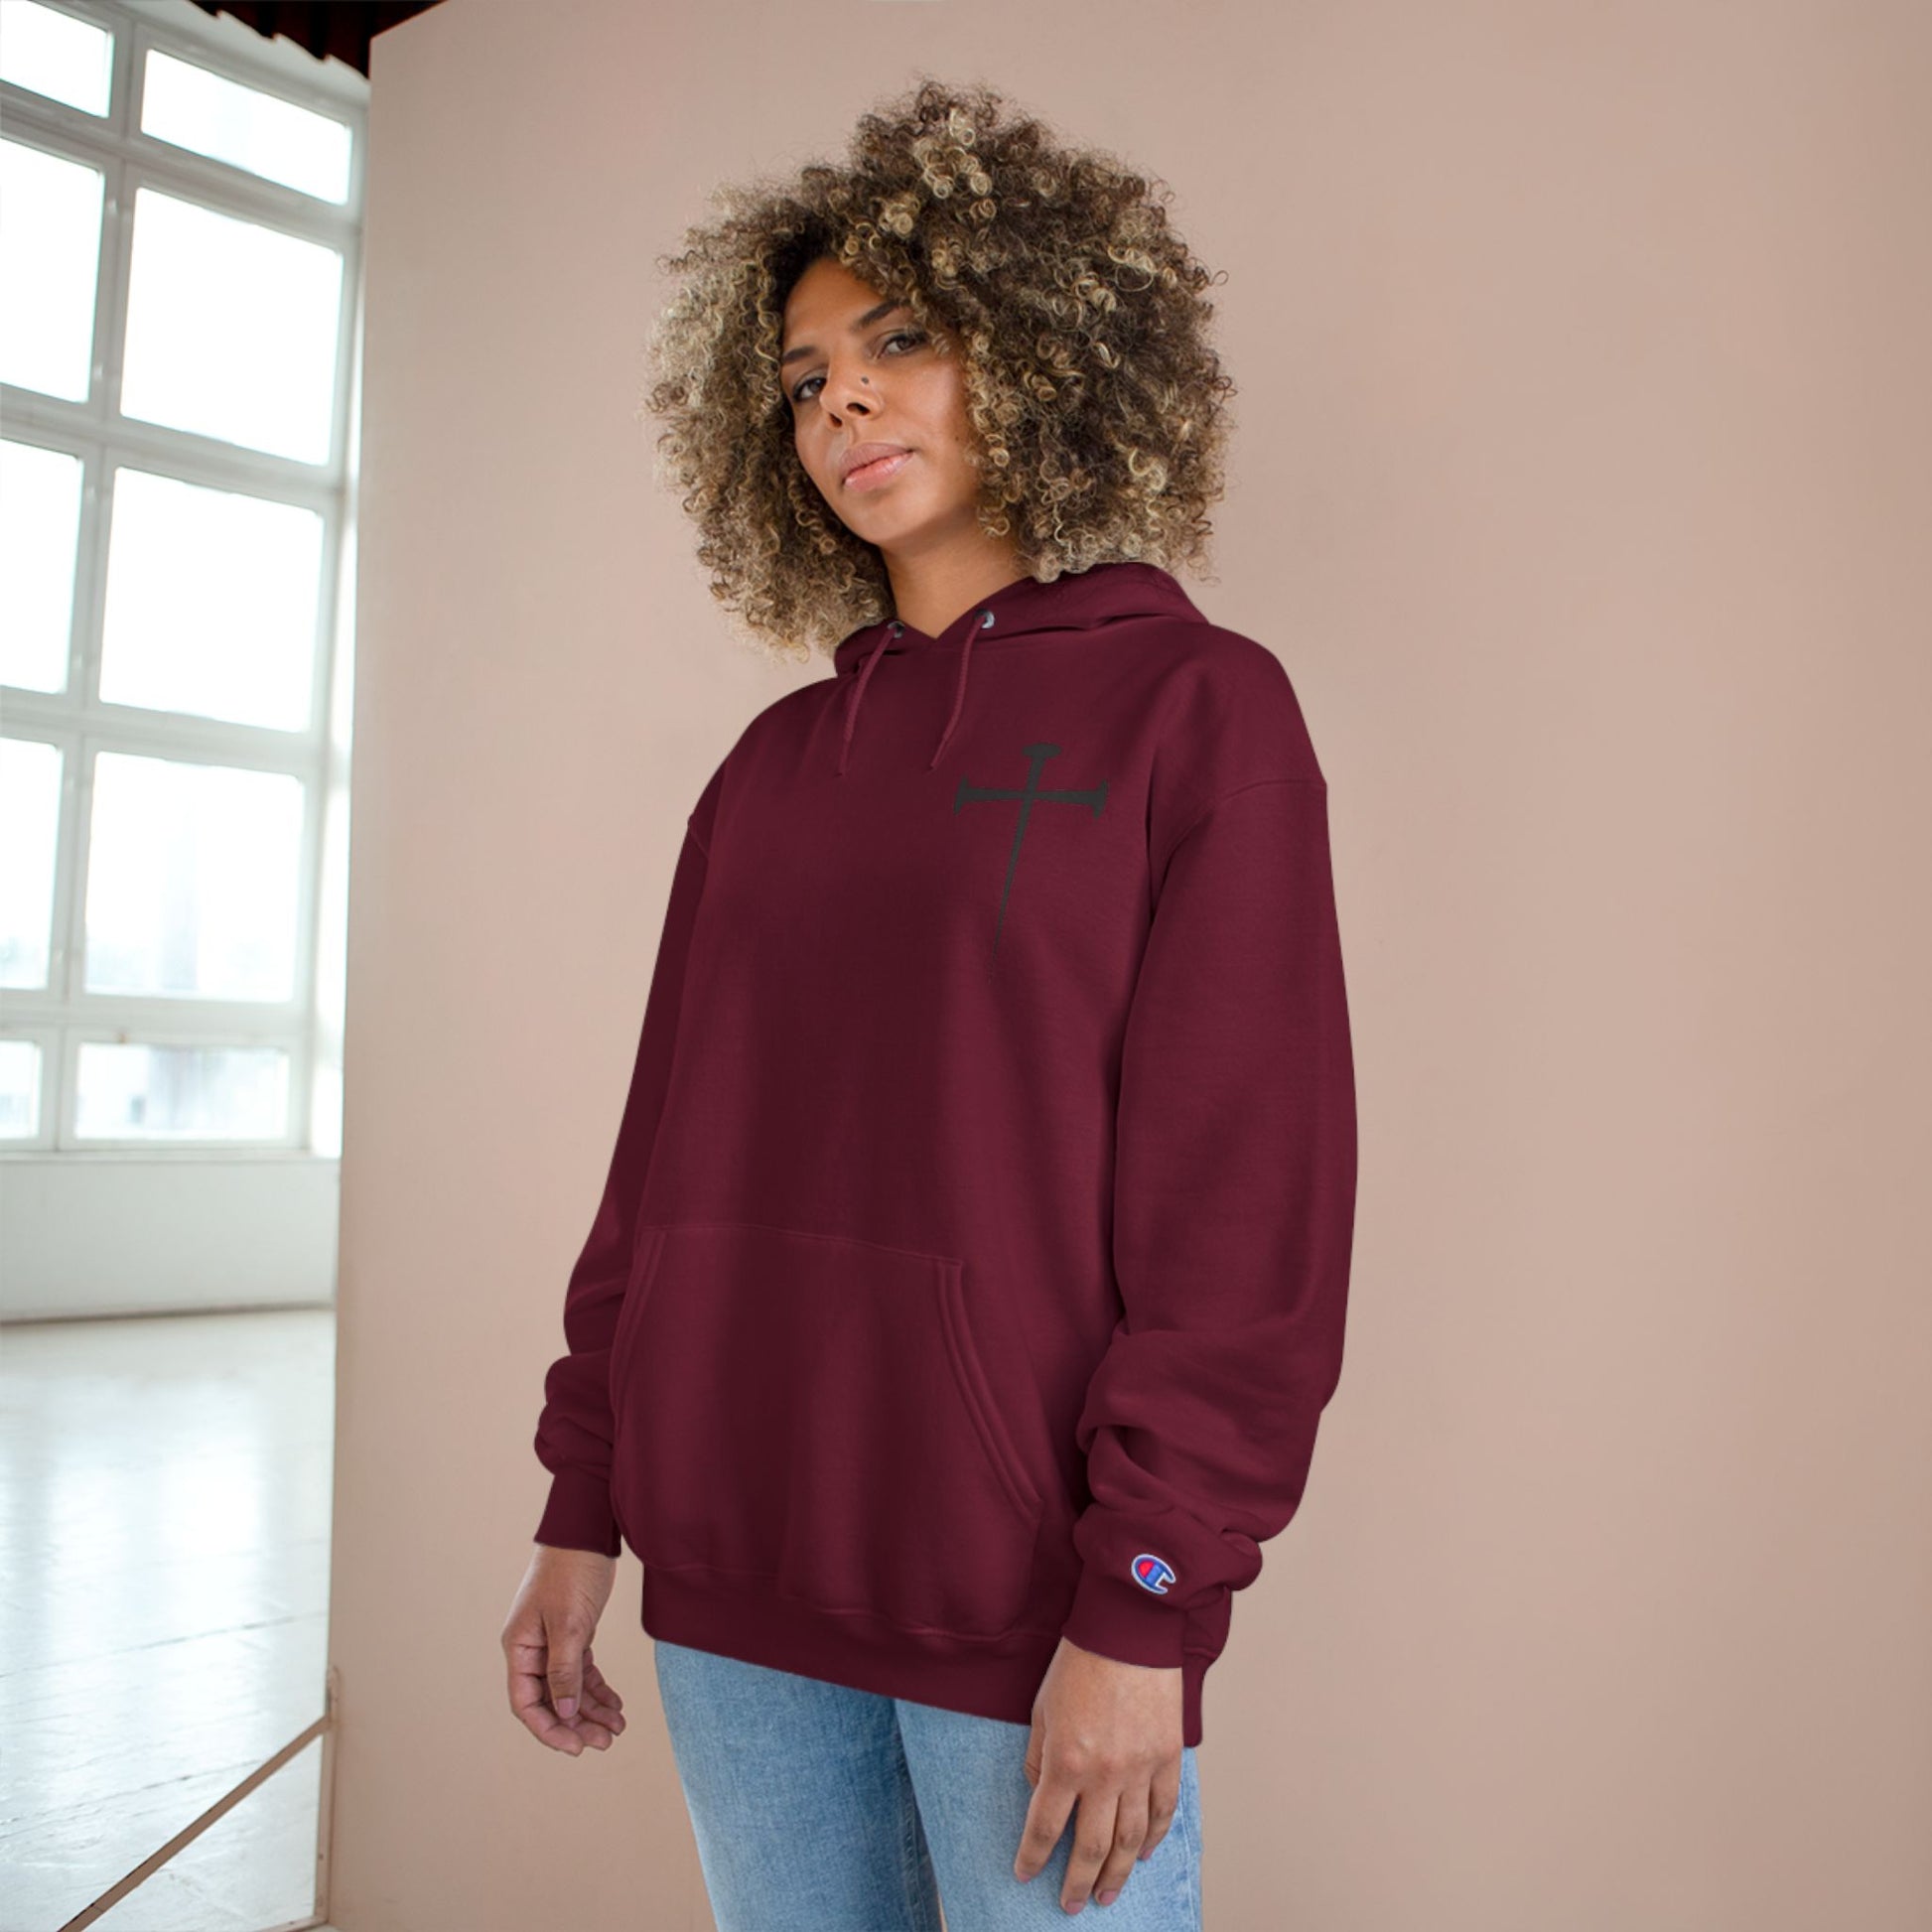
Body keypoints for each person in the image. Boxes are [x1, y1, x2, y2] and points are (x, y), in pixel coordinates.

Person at [500, 74, 1359, 1930]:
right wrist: (585, 1502)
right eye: (804, 377)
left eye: (897, 342)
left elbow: (1244, 1212)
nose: (843, 403)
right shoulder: (769, 766)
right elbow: (658, 1168)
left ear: (1040, 351)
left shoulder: (1197, 712)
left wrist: (1147, 1599)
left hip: (1026, 1608)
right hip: (728, 1585)